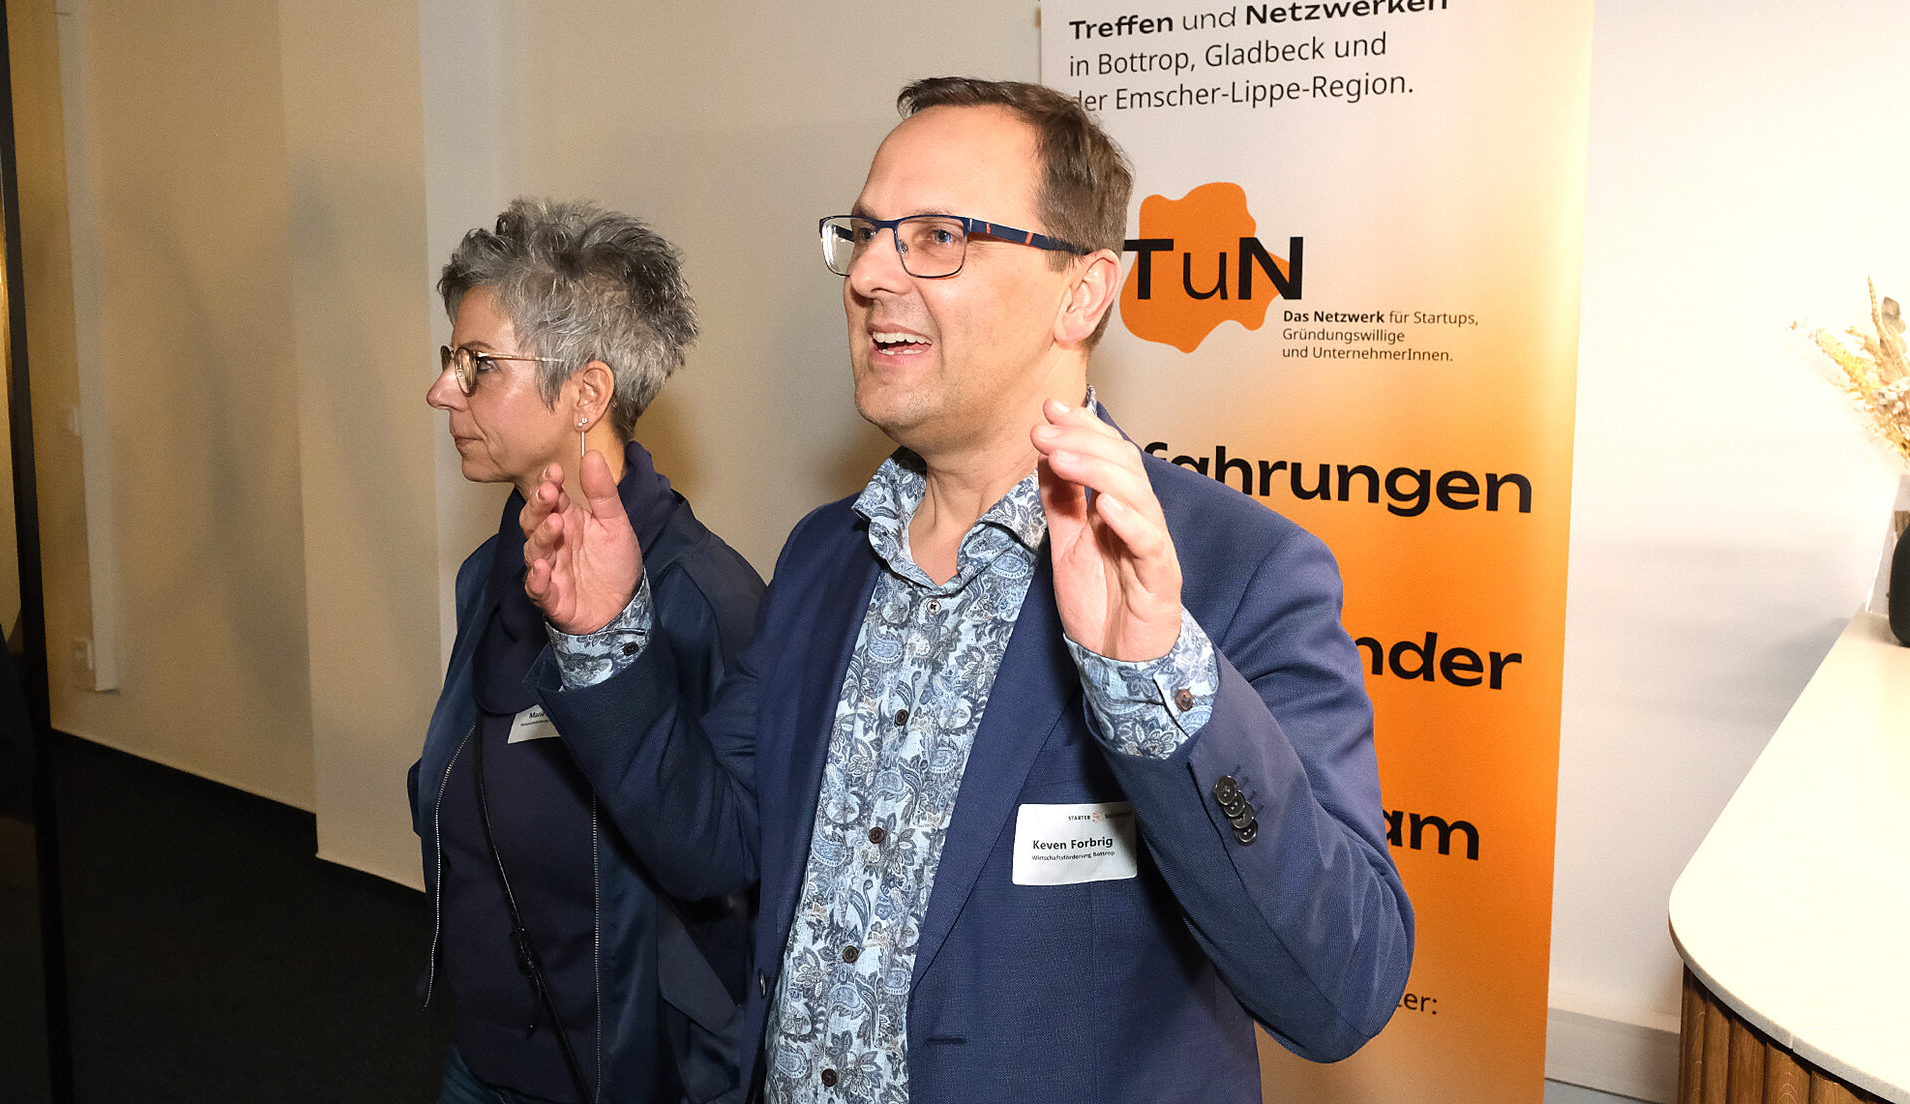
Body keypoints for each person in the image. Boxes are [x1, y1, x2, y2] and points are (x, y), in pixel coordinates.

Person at [520, 81, 1414, 1103]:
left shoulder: (1236, 571)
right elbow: (714, 840)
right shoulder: (827, 556)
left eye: (937, 237)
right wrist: (605, 639)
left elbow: (1342, 991)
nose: (868, 274)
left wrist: (1157, 682)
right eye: (865, 234)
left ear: (1083, 292)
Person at [411, 198, 765, 1104]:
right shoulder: (490, 571)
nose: (442, 390)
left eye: (477, 365)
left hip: (622, 1078)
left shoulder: (703, 600)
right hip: (481, 1055)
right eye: (451, 360)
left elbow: (738, 885)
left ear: (586, 394)